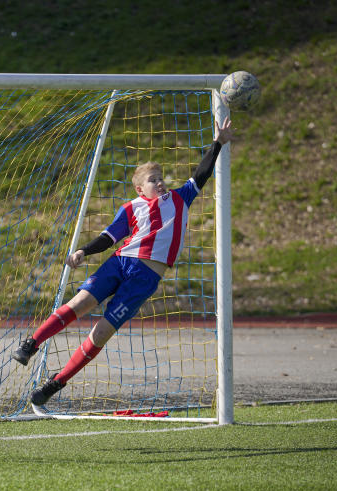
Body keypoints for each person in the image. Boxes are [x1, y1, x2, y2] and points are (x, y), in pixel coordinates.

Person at [13, 117, 234, 406]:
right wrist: (83, 251)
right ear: (140, 190)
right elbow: (109, 237)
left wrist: (218, 142)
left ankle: (56, 382)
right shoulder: (130, 208)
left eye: (161, 177)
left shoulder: (180, 198)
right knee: (79, 304)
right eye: (153, 180)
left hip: (145, 278)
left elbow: (201, 173)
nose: (160, 182)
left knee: (101, 332)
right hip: (120, 263)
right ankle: (31, 344)